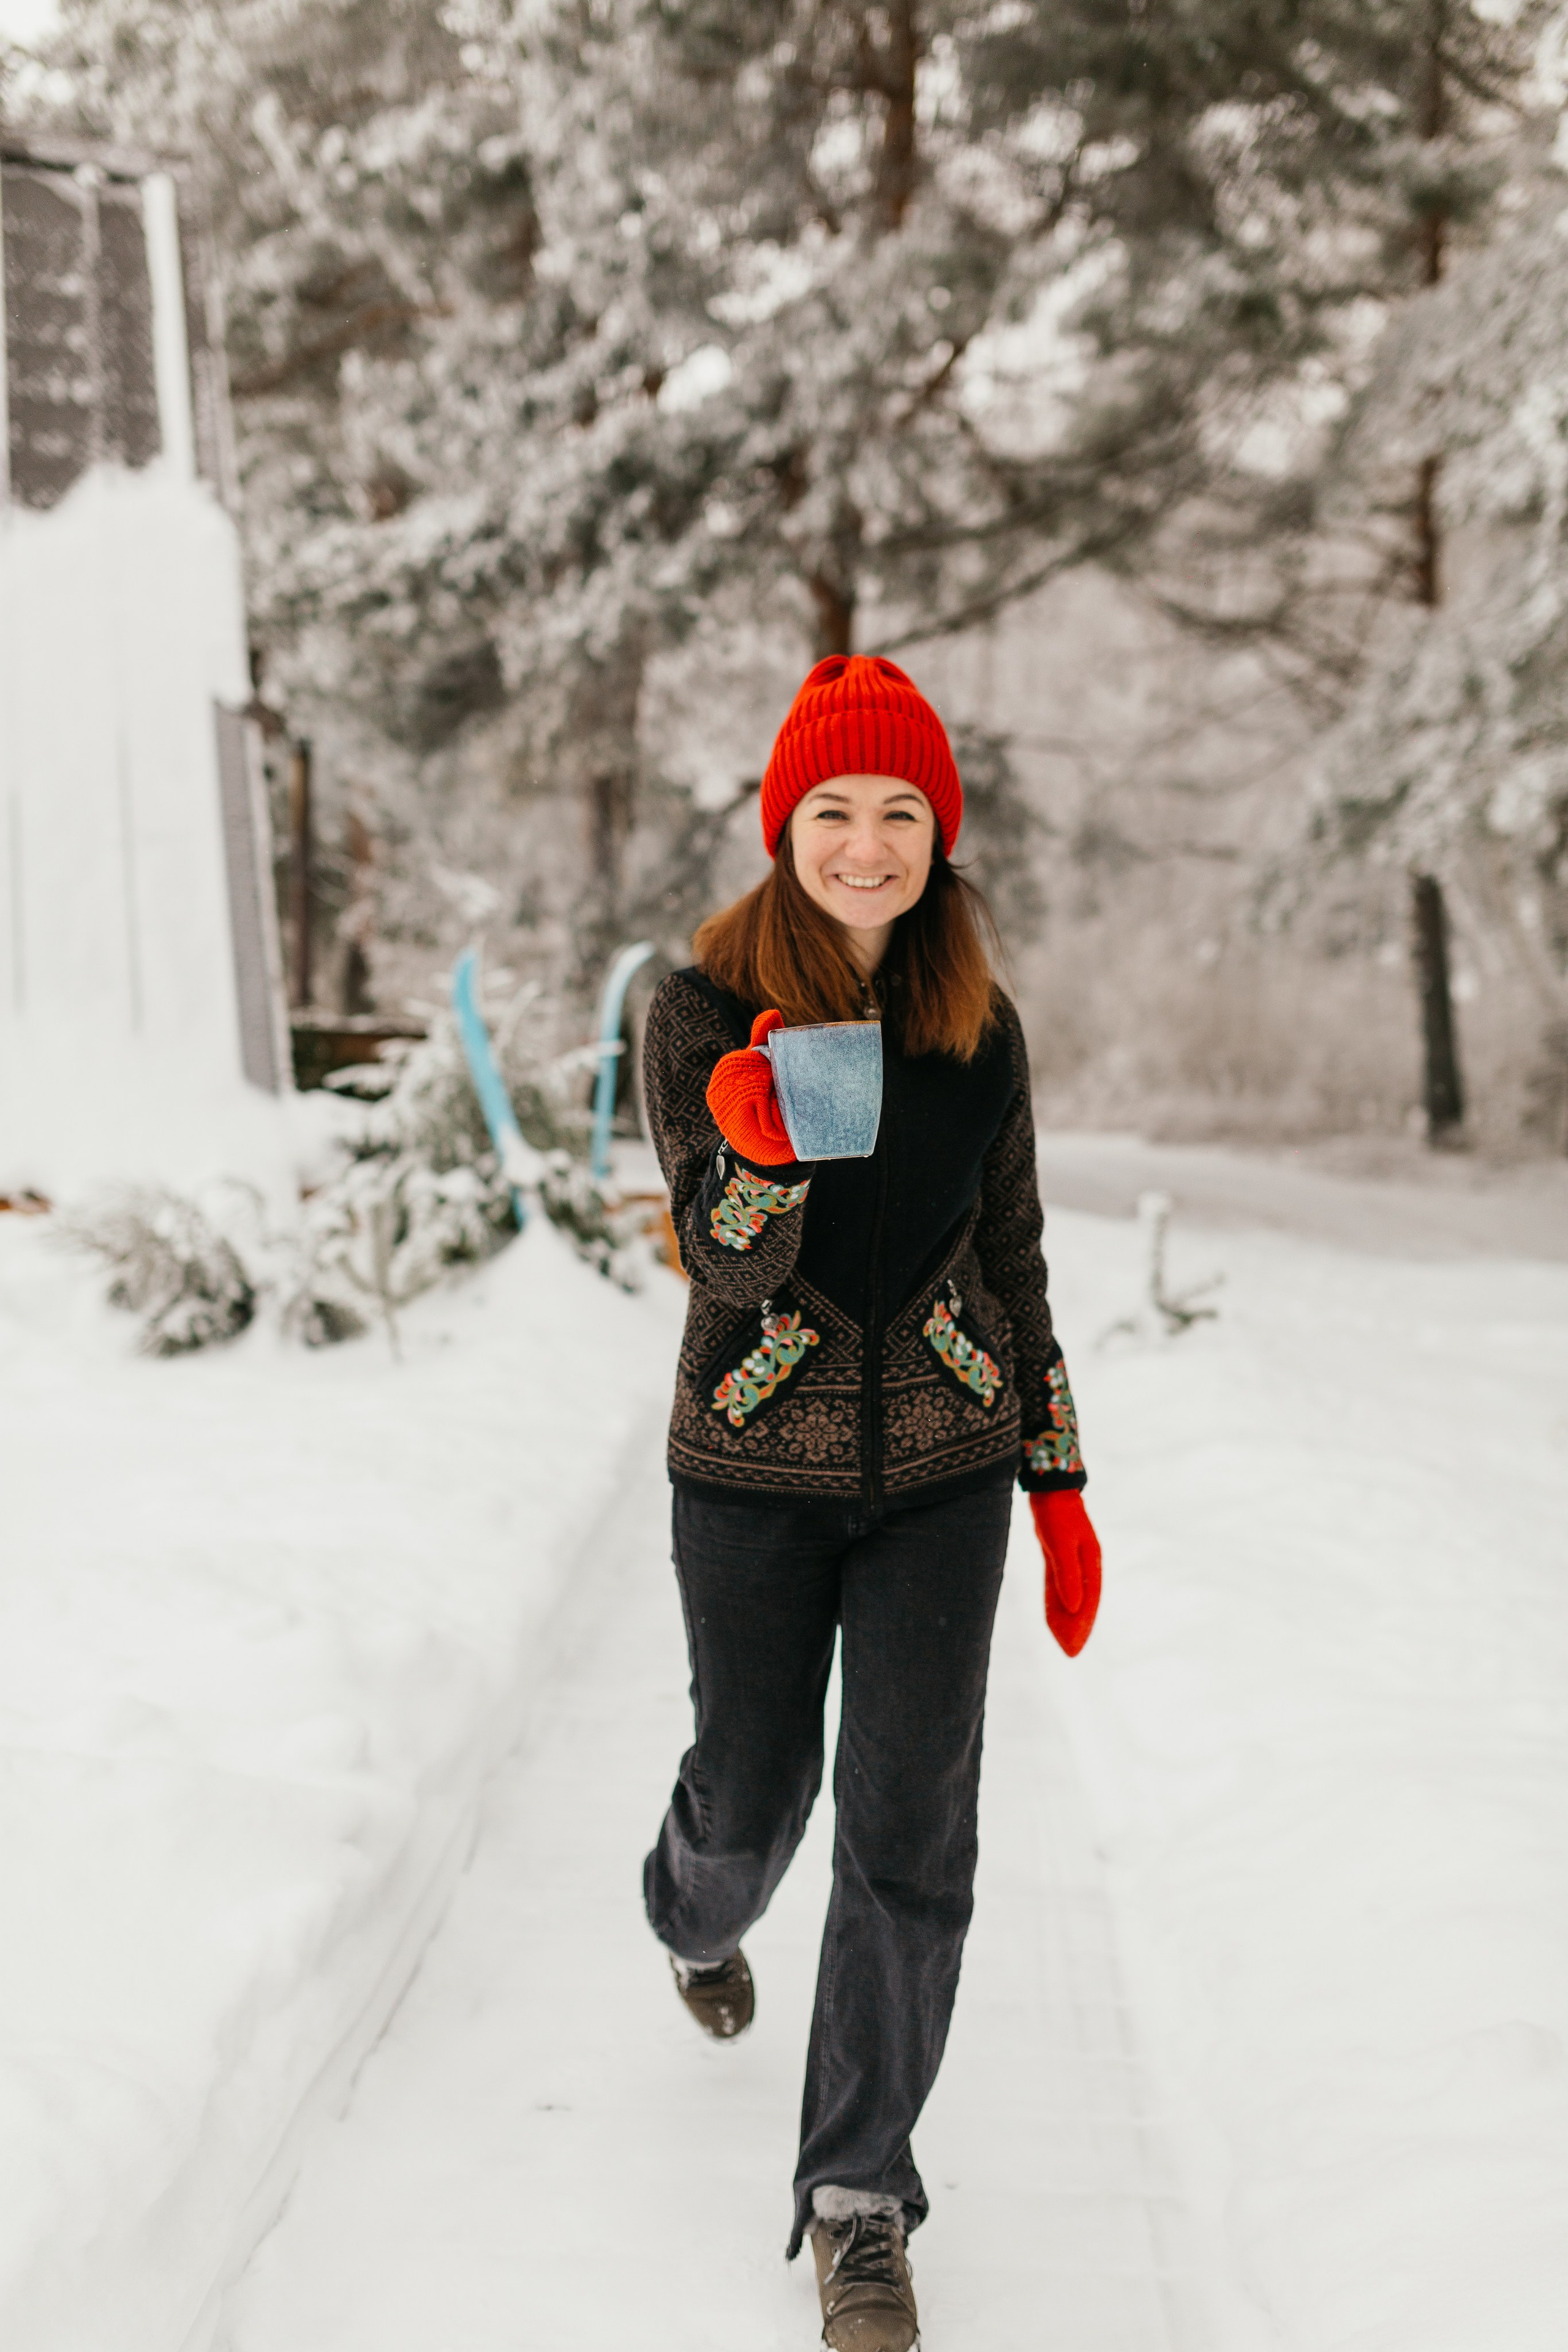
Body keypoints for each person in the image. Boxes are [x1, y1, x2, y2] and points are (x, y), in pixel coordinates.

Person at [640, 654, 1101, 2352]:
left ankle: (858, 2200)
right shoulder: (703, 1003)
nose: (866, 841)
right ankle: (687, 1910)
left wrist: (1057, 1482)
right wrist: (761, 1142)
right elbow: (729, 1269)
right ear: (786, 830)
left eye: (901, 811)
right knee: (754, 1806)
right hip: (754, 1476)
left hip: (945, 1479)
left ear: (939, 837)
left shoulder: (976, 1027)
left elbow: (1016, 1259)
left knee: (912, 1840)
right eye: (833, 810)